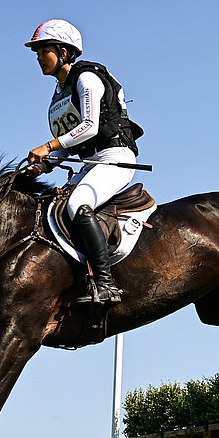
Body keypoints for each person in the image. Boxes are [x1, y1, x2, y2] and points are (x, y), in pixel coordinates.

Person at [25, 18, 143, 304]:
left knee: (78, 204)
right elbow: (70, 144)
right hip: (92, 162)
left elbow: (89, 127)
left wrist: (49, 145)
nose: (39, 57)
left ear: (63, 52)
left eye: (44, 50)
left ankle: (106, 284)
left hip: (115, 157)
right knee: (51, 205)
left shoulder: (86, 78)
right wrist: (42, 164)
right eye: (37, 52)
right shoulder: (59, 93)